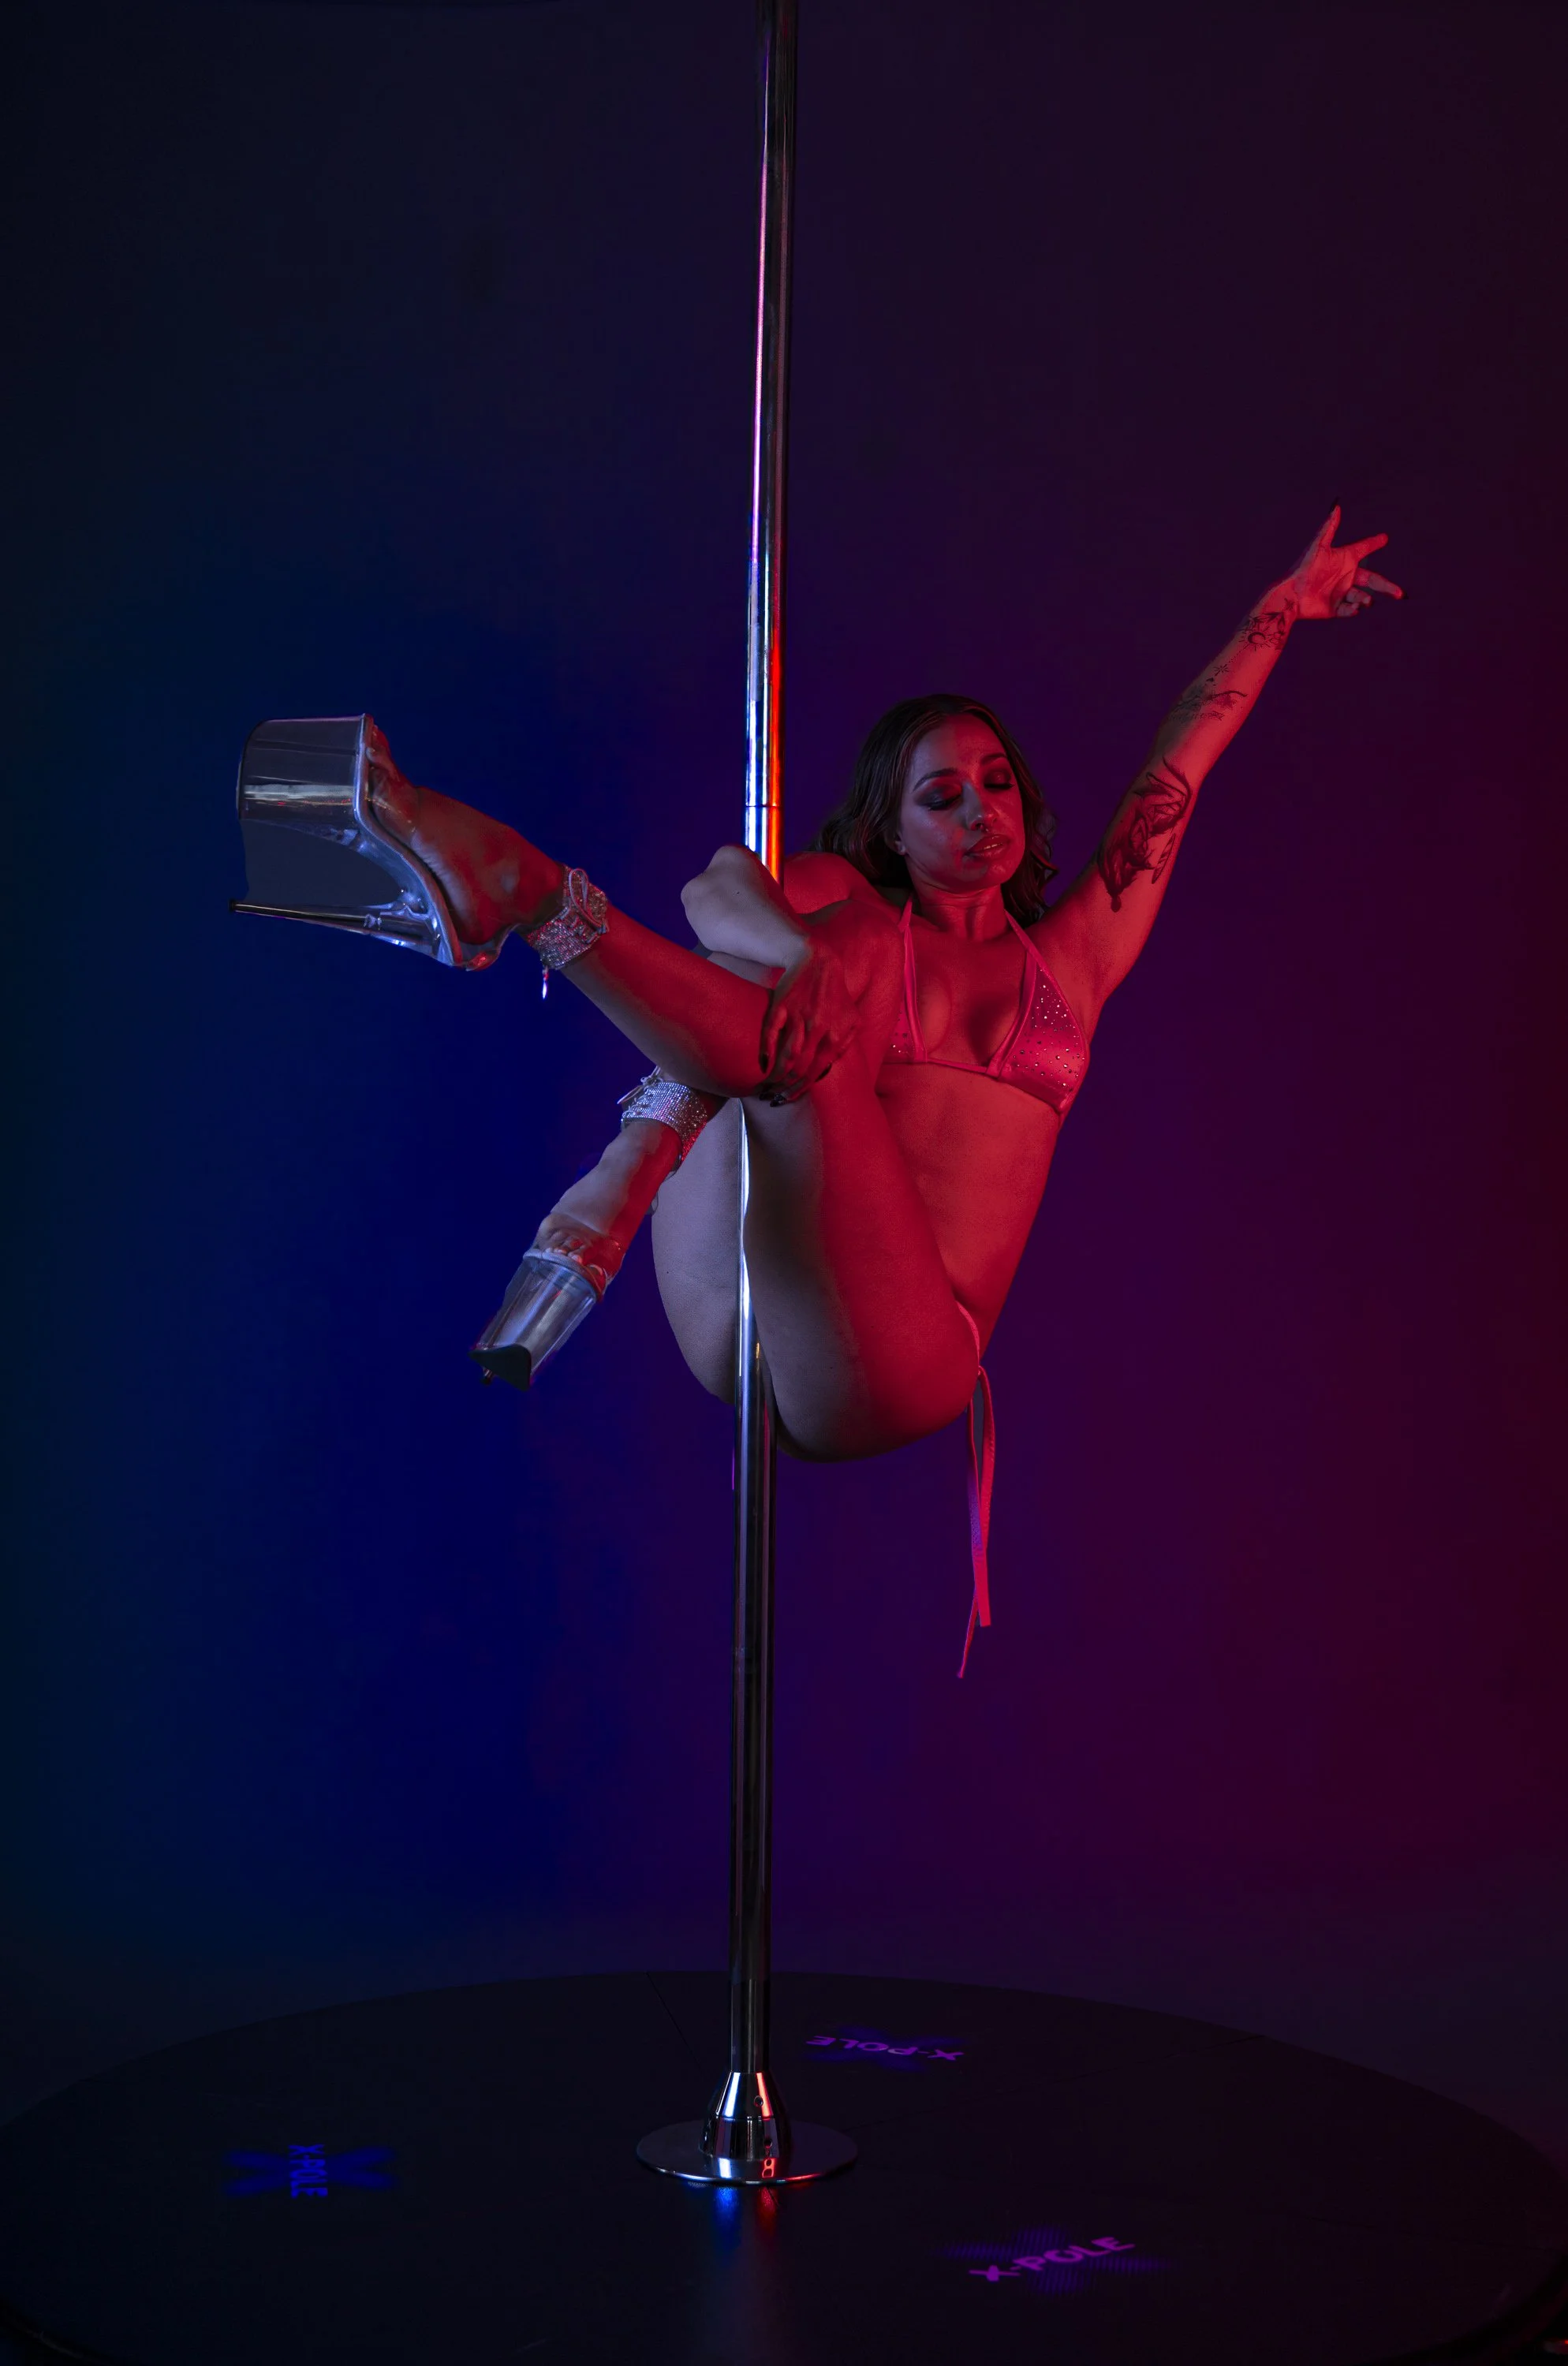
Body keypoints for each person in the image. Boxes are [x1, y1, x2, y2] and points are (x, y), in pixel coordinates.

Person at [364, 509, 1400, 1495]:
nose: (979, 814)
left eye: (995, 784)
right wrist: (796, 953)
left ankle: (550, 947)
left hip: (906, 1353)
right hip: (736, 1302)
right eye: (940, 799)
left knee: (814, 970)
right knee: (818, 943)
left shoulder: (1071, 959)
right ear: (894, 831)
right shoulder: (851, 907)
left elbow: (1178, 770)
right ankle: (547, 941)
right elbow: (717, 890)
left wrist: (1280, 613)